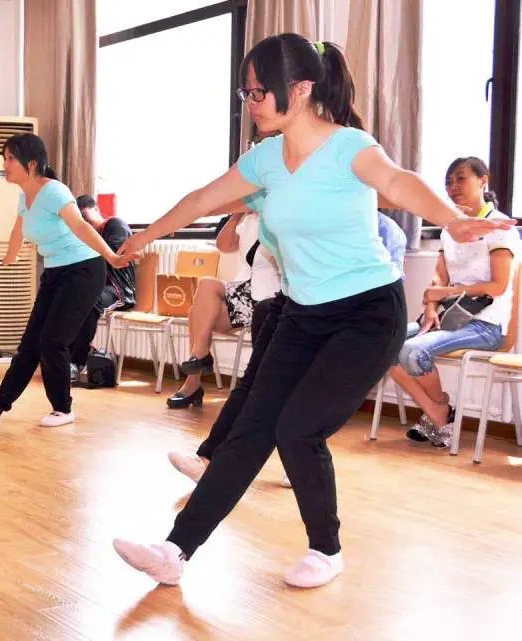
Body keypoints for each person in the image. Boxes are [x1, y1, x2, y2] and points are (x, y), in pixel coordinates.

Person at [111, 34, 511, 589]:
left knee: (298, 429)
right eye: (246, 92)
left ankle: (326, 549)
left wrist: (452, 219)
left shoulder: (349, 147)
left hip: (368, 313)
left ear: (299, 89)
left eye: (258, 92)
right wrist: (144, 236)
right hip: (304, 312)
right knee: (251, 428)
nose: (250, 103)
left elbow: (398, 182)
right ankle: (175, 551)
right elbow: (202, 198)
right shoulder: (266, 159)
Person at [168, 210, 409, 487]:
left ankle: (293, 464)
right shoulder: (313, 218)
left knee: (294, 405)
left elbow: (384, 295)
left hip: (341, 327)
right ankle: (208, 460)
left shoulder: (385, 230)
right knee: (253, 387)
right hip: (295, 311)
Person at [0, 134, 130, 428]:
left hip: (83, 270)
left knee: (53, 341)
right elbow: (18, 230)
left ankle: (63, 410)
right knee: (31, 342)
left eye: (10, 159)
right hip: (55, 271)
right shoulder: (24, 196)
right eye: (4, 158)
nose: (5, 165)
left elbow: (81, 226)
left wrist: (111, 256)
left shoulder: (54, 191)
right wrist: (8, 258)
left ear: (31, 164)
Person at [391, 157, 517, 448]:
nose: (453, 187)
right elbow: (439, 276)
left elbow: (498, 286)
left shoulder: (499, 227)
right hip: (450, 316)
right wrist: (431, 307)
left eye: (461, 179)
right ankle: (438, 411)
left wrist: (445, 293)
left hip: (486, 324)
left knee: (412, 351)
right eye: (448, 182)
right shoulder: (451, 228)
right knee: (382, 344)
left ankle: (438, 414)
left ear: (483, 180)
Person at [166, 191, 282, 409]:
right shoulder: (248, 222)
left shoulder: (277, 219)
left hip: (267, 299)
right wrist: (236, 215)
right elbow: (224, 245)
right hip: (242, 292)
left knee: (203, 296)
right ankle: (199, 359)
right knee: (203, 299)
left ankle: (194, 376)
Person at [69, 194, 136, 381]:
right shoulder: (86, 236)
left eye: (86, 216)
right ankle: (71, 354)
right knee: (67, 300)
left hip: (120, 291)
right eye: (80, 220)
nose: (85, 223)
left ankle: (77, 362)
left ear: (96, 209)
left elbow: (110, 256)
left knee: (91, 302)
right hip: (97, 288)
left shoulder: (115, 225)